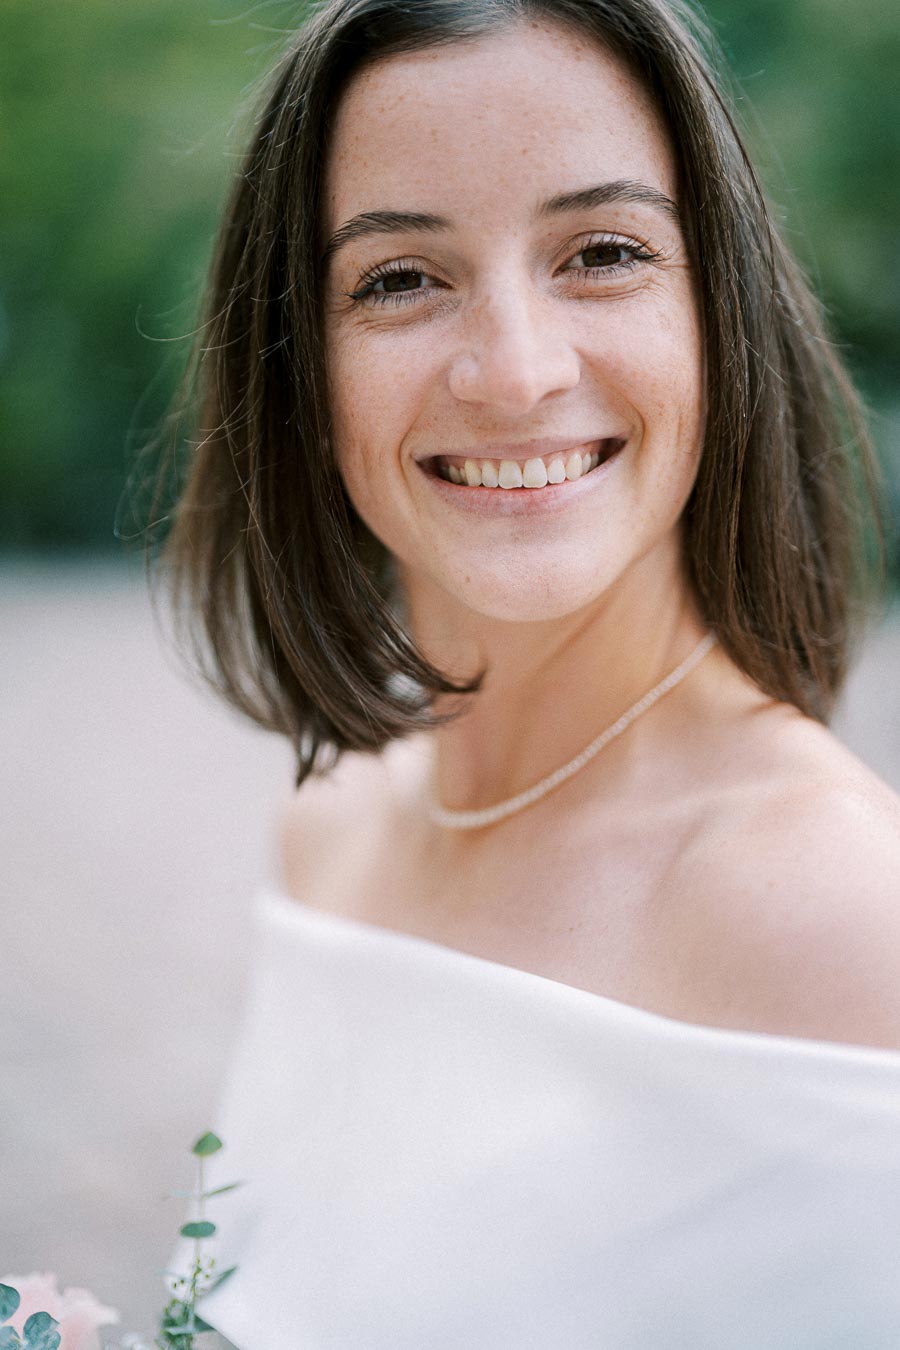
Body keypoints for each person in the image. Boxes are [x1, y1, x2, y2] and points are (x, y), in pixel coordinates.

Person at [158, 0, 900, 1344]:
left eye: (603, 253)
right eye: (399, 277)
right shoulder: (328, 836)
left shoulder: (840, 917)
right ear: (298, 364)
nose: (514, 371)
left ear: (719, 309)